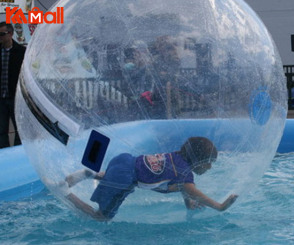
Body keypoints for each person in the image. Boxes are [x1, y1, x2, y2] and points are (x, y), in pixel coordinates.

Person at [54, 137, 238, 221]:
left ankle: (91, 174)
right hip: (124, 178)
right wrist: (220, 206)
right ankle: (66, 193)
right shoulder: (184, 176)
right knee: (101, 218)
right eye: (208, 163)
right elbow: (193, 192)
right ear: (198, 160)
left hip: (124, 160)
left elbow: (183, 188)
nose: (210, 167)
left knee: (114, 178)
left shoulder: (177, 157)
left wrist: (188, 205)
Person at [0, 22, 25, 148]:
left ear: (10, 34)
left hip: (15, 97)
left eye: (2, 34)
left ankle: (16, 153)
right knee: (1, 130)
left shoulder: (21, 52)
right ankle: (3, 155)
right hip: (1, 98)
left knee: (19, 129)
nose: (0, 37)